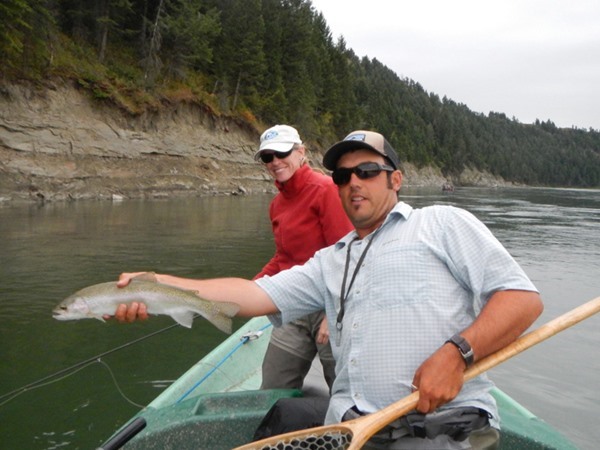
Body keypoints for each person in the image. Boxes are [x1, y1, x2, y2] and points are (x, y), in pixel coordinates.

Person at [113, 130, 543, 449]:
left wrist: (456, 354)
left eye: (368, 171)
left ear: (396, 179)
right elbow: (250, 294)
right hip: (352, 430)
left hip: (440, 427)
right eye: (342, 175)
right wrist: (160, 284)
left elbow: (521, 299)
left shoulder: (442, 224)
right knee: (282, 413)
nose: (353, 182)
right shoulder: (330, 260)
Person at [253, 124, 353, 391]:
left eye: (282, 153)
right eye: (267, 157)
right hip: (294, 303)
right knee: (273, 386)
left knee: (343, 388)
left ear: (301, 152)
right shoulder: (277, 205)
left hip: (331, 304)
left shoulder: (326, 190)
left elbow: (347, 253)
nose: (275, 161)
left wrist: (333, 315)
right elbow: (284, 256)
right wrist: (251, 289)